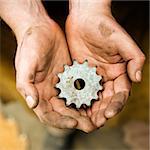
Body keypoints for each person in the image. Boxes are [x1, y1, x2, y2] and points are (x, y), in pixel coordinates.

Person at [0, 0, 145, 133]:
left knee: (125, 86)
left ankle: (120, 122)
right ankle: (58, 129)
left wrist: (90, 9)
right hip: (12, 23)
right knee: (37, 88)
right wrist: (28, 21)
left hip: (114, 16)